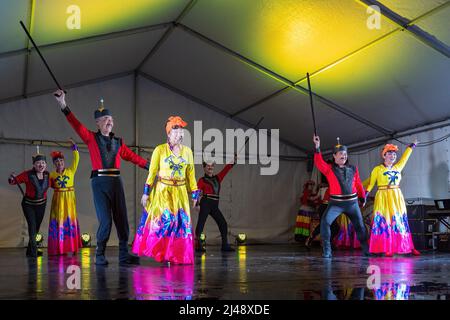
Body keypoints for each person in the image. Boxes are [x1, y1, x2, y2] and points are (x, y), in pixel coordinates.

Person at [54, 90, 149, 266]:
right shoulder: (90, 137)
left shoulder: (118, 142)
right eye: (105, 119)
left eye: (111, 119)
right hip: (99, 183)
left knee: (122, 219)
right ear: (97, 123)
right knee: (106, 220)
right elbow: (76, 124)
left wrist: (149, 165)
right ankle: (99, 254)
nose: (109, 121)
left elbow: (132, 156)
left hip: (116, 182)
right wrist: (63, 104)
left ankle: (123, 255)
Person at [132, 116, 200, 265]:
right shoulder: (160, 150)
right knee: (166, 222)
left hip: (181, 192)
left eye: (181, 131)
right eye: (175, 132)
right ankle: (163, 254)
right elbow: (152, 172)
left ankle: (176, 255)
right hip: (163, 191)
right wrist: (146, 192)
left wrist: (195, 193)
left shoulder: (188, 151)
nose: (179, 134)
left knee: (180, 224)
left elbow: (191, 174)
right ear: (168, 134)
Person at [313, 135, 370, 258]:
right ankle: (327, 250)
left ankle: (366, 250)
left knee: (360, 225)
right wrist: (317, 147)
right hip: (336, 204)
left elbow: (358, 183)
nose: (343, 156)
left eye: (345, 154)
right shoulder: (329, 169)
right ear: (334, 156)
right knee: (325, 222)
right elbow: (318, 162)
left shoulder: (353, 168)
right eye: (340, 153)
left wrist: (362, 197)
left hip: (352, 203)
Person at [365, 141, 420, 257]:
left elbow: (405, 158)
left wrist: (411, 146)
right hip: (382, 196)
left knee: (399, 221)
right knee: (385, 221)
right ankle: (387, 247)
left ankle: (409, 246)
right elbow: (371, 183)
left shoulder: (398, 167)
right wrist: (365, 193)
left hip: (396, 196)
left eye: (394, 154)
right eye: (390, 153)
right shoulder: (377, 169)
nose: (392, 156)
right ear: (384, 155)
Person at [8, 150, 49, 258]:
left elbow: (55, 184)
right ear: (34, 165)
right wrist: (12, 178)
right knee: (32, 225)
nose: (41, 165)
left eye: (43, 163)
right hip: (29, 204)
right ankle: (34, 251)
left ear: (46, 165)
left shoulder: (47, 175)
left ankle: (30, 250)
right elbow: (14, 181)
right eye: (38, 163)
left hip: (41, 205)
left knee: (36, 228)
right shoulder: (27, 174)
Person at [195, 154, 237, 252]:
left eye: (212, 166)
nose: (210, 167)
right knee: (200, 225)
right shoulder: (202, 180)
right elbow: (197, 192)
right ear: (204, 168)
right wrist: (197, 204)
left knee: (223, 223)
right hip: (205, 203)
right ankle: (198, 245)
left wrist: (233, 161)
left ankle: (224, 245)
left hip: (214, 205)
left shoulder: (218, 178)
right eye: (208, 166)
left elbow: (226, 169)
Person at [48, 139, 83, 255]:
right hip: (58, 201)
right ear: (54, 164)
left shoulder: (70, 171)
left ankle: (73, 247)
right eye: (57, 161)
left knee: (70, 222)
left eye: (61, 160)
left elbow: (76, 160)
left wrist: (74, 149)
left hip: (69, 200)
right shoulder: (52, 175)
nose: (59, 162)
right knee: (59, 223)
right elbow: (48, 185)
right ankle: (59, 247)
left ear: (64, 161)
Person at [305, 180, 340, 249]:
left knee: (335, 227)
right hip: (325, 207)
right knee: (325, 225)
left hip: (330, 208)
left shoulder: (337, 188)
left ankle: (327, 242)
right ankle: (313, 239)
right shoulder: (333, 188)